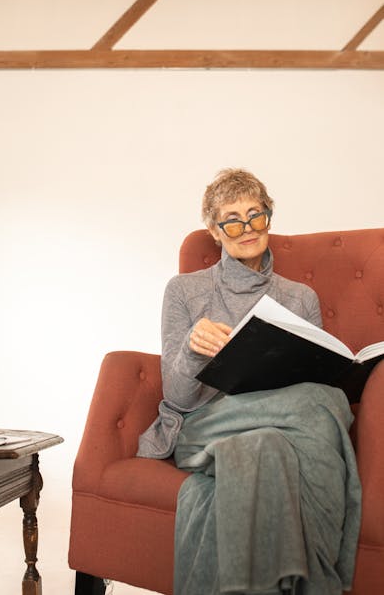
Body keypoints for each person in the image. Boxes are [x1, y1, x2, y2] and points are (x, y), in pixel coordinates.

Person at [137, 168, 361, 595]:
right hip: (203, 426)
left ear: (269, 218)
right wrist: (192, 347)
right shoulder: (185, 291)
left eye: (256, 214)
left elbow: (311, 379)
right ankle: (322, 582)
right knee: (322, 402)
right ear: (214, 231)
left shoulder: (300, 298)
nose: (246, 228)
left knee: (290, 426)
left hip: (278, 429)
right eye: (232, 219)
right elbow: (178, 397)